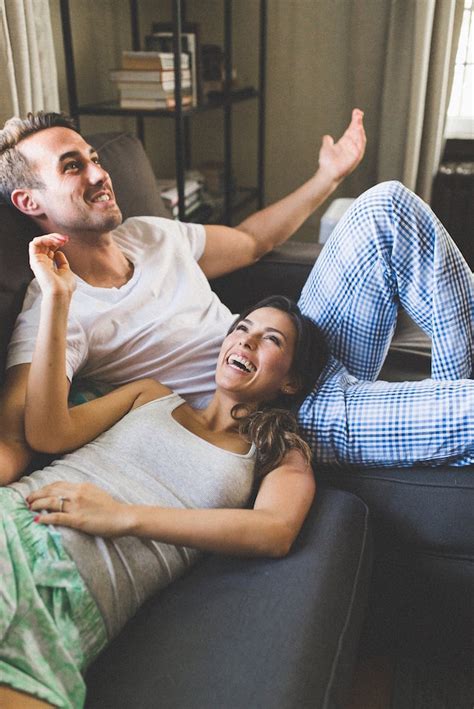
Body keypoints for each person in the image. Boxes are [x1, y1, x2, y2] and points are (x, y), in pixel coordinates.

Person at [0, 234, 327, 709]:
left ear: (292, 379)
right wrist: (58, 299)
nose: (246, 340)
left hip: (79, 605)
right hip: (17, 529)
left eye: (271, 340)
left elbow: (274, 531)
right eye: (242, 328)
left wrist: (125, 516)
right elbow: (49, 433)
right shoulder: (151, 395)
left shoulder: (280, 452)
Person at [0, 109, 366, 483]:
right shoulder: (53, 307)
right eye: (72, 167)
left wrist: (328, 176)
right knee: (383, 206)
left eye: (94, 158)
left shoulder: (148, 233)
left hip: (299, 359)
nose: (99, 174)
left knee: (375, 215)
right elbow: (16, 437)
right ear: (29, 201)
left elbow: (252, 241)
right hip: (281, 412)